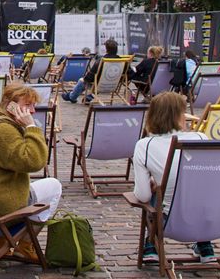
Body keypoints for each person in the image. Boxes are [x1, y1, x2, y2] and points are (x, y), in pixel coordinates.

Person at [0, 83, 61, 256]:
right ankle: (24, 244)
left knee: (38, 187)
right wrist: (31, 127)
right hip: (0, 208)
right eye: (27, 105)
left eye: (33, 105)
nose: (32, 111)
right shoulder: (4, 130)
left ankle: (1, 241)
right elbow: (34, 161)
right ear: (11, 106)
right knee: (54, 186)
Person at [132, 92, 212, 262]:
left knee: (157, 192)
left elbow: (143, 195)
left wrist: (155, 185)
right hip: (210, 219)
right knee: (197, 189)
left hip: (170, 221)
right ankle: (205, 245)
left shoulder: (145, 146)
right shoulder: (201, 138)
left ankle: (150, 244)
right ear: (179, 116)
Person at [62, 38, 120, 104]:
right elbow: (129, 74)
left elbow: (90, 76)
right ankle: (88, 97)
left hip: (100, 85)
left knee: (82, 81)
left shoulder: (102, 60)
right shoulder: (122, 61)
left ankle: (72, 97)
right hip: (114, 85)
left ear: (106, 50)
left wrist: (85, 79)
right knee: (97, 80)